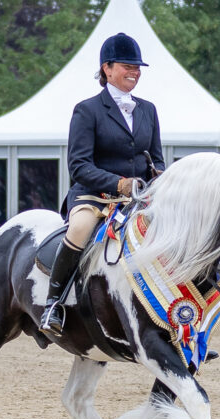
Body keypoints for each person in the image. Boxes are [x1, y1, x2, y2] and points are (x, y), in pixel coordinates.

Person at [40, 32, 165, 336]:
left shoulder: (148, 109)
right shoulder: (88, 110)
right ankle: (53, 305)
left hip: (137, 199)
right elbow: (79, 165)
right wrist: (118, 184)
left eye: (138, 68)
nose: (135, 72)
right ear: (107, 68)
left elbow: (157, 159)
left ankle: (177, 316)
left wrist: (159, 176)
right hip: (94, 197)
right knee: (80, 228)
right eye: (128, 66)